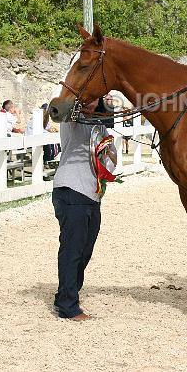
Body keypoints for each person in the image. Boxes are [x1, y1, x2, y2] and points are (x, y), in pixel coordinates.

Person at [52, 103, 116, 321]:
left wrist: (108, 153)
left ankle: (65, 294)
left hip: (92, 193)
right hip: (71, 189)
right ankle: (68, 306)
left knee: (85, 250)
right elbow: (62, 108)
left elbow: (110, 160)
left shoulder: (99, 127)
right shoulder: (72, 122)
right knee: (73, 249)